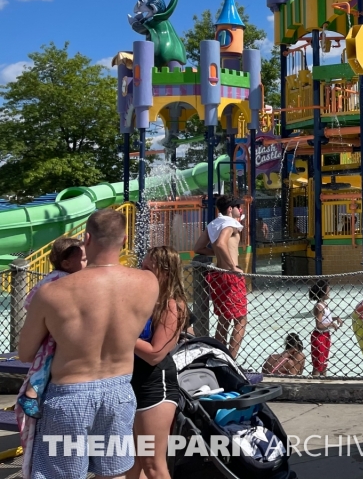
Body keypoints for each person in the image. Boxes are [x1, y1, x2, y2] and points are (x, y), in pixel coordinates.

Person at [18, 208, 158, 479]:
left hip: (70, 395)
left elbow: (25, 353)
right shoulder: (148, 283)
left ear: (86, 239)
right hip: (119, 391)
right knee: (114, 474)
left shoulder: (52, 292)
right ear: (125, 239)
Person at [128, 246, 188, 479]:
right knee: (131, 462)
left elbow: (155, 353)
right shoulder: (145, 300)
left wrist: (122, 334)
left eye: (147, 269)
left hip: (155, 387)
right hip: (132, 383)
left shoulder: (171, 305)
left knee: (153, 464)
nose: (142, 273)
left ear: (164, 272)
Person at [17, 237, 88, 419]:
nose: (87, 263)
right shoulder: (63, 279)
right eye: (83, 260)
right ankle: (30, 394)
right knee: (45, 361)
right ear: (66, 263)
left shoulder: (53, 277)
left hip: (47, 326)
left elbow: (30, 300)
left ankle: (33, 394)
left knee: (44, 361)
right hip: (50, 330)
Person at [193, 195, 248, 358]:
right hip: (231, 276)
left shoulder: (213, 224)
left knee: (224, 320)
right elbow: (220, 243)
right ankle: (231, 360)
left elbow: (198, 247)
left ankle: (218, 357)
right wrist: (232, 266)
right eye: (239, 207)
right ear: (230, 209)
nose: (241, 210)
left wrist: (217, 254)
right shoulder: (230, 223)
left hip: (217, 275)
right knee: (241, 320)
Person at [309, 279, 341, 376]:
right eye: (328, 290)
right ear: (323, 291)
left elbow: (326, 319)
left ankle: (324, 381)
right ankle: (315, 384)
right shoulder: (319, 306)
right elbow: (318, 325)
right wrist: (331, 324)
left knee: (324, 363)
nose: (329, 291)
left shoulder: (325, 304)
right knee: (318, 365)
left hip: (326, 335)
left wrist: (336, 318)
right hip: (319, 337)